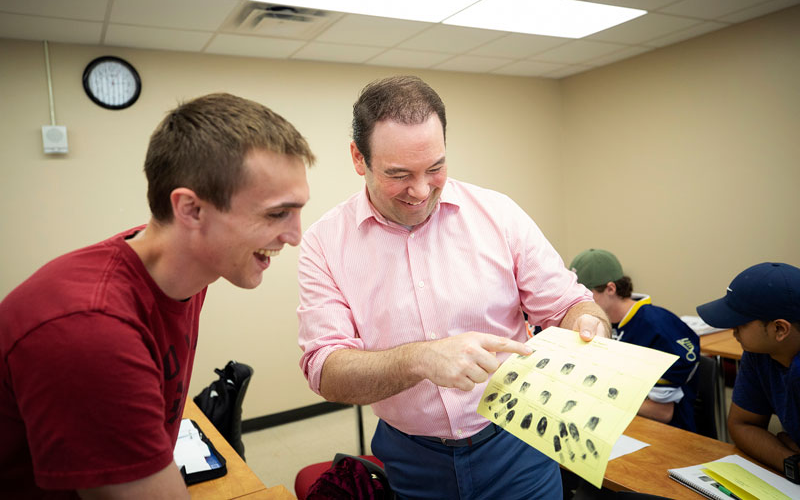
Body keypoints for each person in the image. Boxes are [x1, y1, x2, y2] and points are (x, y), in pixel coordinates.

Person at [297, 75, 610, 499]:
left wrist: (589, 321)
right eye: (399, 174)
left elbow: (568, 304)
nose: (422, 191)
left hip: (519, 441)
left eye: (436, 168)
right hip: (411, 459)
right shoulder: (324, 242)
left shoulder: (498, 214)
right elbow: (326, 370)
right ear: (358, 158)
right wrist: (421, 359)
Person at [0, 93, 315, 499]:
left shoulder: (185, 272)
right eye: (277, 214)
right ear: (191, 210)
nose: (295, 236)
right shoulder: (90, 328)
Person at [570, 248, 699, 432]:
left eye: (585, 294)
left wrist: (599, 395)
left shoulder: (657, 327)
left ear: (610, 289)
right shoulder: (599, 323)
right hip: (617, 424)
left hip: (665, 434)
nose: (578, 302)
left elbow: (663, 412)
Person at [696, 262, 800, 480]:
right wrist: (791, 461)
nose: (732, 330)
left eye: (739, 323)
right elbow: (741, 425)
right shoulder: (759, 353)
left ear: (779, 329)